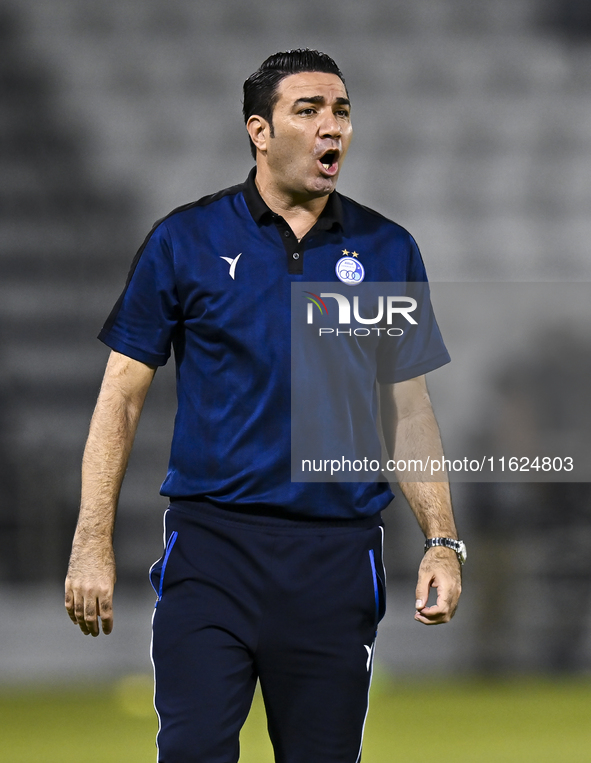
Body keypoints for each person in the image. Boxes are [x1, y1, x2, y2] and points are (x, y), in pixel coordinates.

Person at [65, 49, 463, 763]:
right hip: (213, 551)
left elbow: (407, 408)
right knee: (191, 751)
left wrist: (440, 539)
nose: (329, 127)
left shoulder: (385, 248)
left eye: (340, 111)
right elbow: (120, 398)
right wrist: (91, 538)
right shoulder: (184, 241)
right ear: (259, 129)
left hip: (335, 556)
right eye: (306, 111)